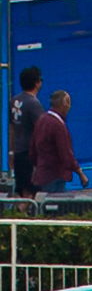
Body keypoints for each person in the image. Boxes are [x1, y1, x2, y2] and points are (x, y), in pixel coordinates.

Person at [30, 90, 88, 192]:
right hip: (55, 175)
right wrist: (80, 173)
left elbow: (33, 147)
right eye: (69, 103)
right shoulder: (57, 125)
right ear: (65, 104)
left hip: (42, 173)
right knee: (57, 200)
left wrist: (36, 167)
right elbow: (65, 153)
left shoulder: (41, 120)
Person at [9, 66, 44, 198]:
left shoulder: (14, 100)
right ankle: (20, 210)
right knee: (31, 193)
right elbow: (42, 130)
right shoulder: (34, 104)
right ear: (36, 83)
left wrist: (11, 151)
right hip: (30, 154)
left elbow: (12, 127)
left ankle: (19, 209)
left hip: (18, 152)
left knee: (23, 191)